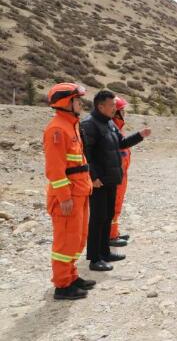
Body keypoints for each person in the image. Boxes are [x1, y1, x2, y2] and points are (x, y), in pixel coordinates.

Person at [81, 90, 150, 271]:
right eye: (111, 105)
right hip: (99, 181)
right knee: (97, 219)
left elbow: (122, 143)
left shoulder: (110, 123)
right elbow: (86, 154)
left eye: (114, 105)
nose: (114, 108)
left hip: (111, 179)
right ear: (100, 106)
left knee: (107, 216)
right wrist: (93, 176)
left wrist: (140, 136)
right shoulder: (89, 125)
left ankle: (105, 252)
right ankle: (95, 259)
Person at [43, 83, 95, 300]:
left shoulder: (71, 125)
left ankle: (72, 276)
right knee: (65, 241)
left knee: (77, 238)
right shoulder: (57, 129)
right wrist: (63, 196)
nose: (80, 103)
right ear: (66, 102)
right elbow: (54, 169)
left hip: (80, 192)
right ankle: (62, 285)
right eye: (77, 99)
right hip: (68, 196)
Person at [109, 97, 132, 247]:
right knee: (112, 206)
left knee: (117, 205)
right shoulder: (111, 129)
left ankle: (114, 233)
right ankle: (110, 236)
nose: (124, 113)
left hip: (121, 174)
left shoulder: (117, 128)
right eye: (122, 111)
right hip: (115, 175)